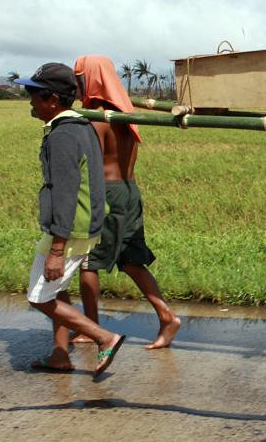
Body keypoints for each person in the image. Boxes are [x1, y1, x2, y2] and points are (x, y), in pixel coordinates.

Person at [14, 63, 125, 378]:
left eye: (33, 96)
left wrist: (58, 248)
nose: (30, 103)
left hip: (69, 229)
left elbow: (64, 191)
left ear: (52, 100)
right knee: (57, 288)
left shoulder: (63, 136)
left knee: (39, 296)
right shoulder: (82, 126)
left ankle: (105, 337)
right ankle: (60, 354)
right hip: (82, 225)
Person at [71, 55, 181, 349]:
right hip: (130, 190)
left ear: (91, 79)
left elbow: (87, 165)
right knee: (132, 261)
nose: (76, 84)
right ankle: (167, 316)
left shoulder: (96, 117)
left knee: (88, 263)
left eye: (79, 77)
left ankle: (90, 328)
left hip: (106, 193)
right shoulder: (124, 111)